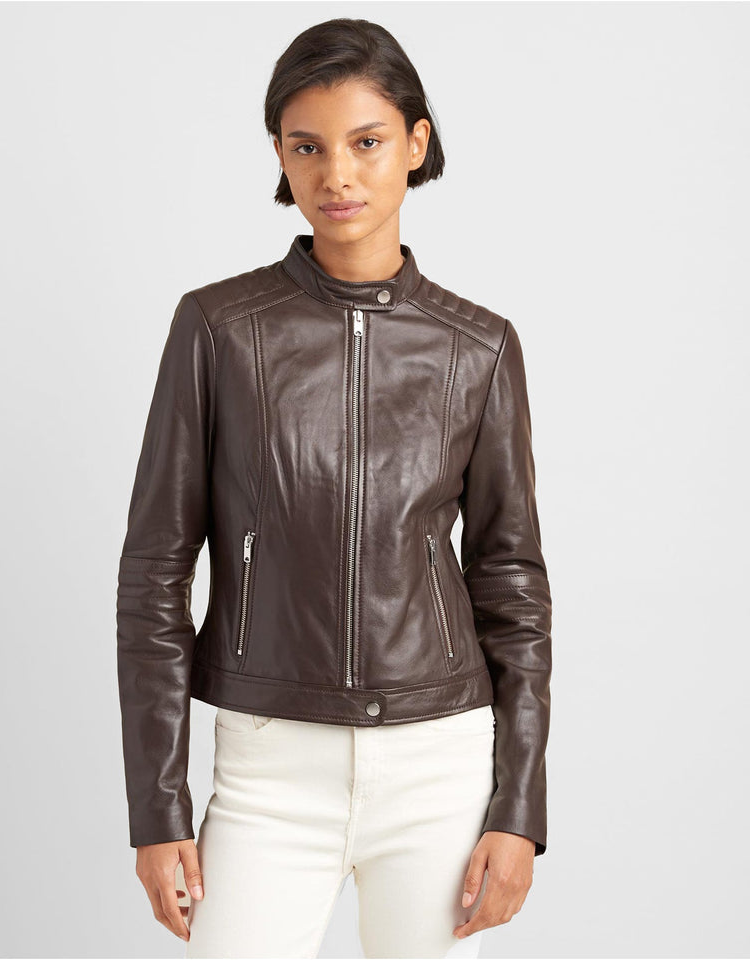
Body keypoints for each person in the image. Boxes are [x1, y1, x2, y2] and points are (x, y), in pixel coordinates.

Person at [116, 17, 553, 960]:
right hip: (272, 761)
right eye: (306, 147)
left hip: (438, 760)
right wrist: (157, 807)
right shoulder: (219, 330)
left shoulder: (477, 347)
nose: (337, 175)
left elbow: (511, 584)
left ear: (416, 143)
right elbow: (153, 572)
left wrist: (518, 807)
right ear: (279, 154)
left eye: (367, 142)